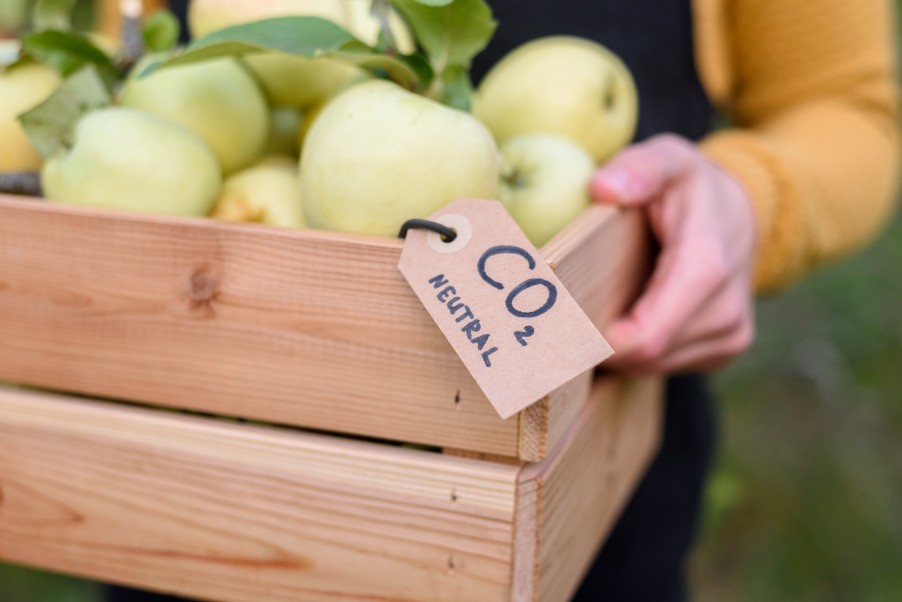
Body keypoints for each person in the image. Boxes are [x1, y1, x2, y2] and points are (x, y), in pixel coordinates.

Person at [107, 0, 900, 600]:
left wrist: (746, 201)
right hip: (194, 504)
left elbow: (845, 104)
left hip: (588, 507)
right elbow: (105, 48)